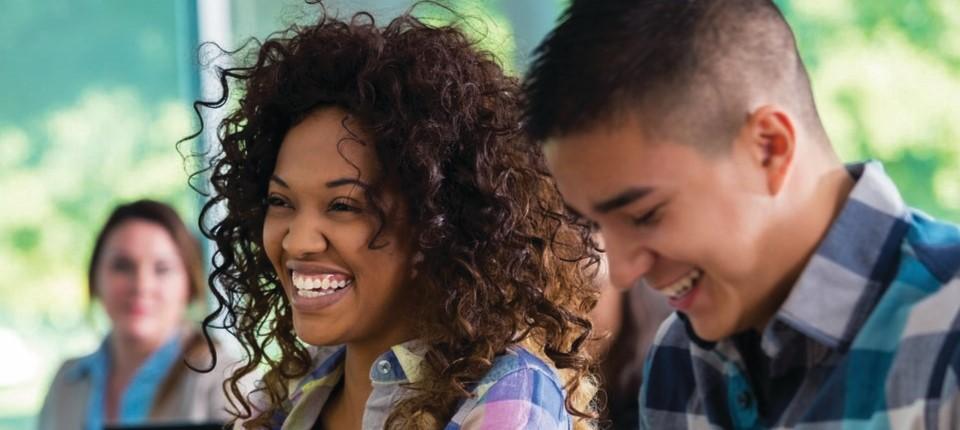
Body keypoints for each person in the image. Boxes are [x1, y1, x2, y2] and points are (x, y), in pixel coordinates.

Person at [523, 0, 960, 428]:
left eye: (645, 215)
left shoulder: (948, 326)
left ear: (769, 148)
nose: (622, 273)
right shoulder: (676, 362)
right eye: (593, 224)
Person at [188, 5, 600, 430]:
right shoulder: (292, 394)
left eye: (343, 206)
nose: (297, 240)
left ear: (436, 225)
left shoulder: (508, 396)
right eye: (281, 202)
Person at [38, 200, 237, 429]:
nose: (141, 286)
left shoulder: (227, 379)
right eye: (122, 266)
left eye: (162, 268)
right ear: (95, 279)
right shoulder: (66, 380)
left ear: (190, 284)